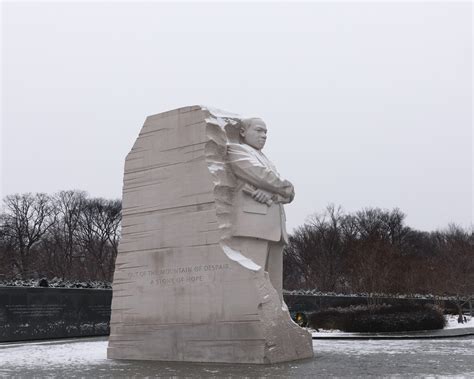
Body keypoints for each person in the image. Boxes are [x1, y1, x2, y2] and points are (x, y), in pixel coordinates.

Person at [227, 117, 295, 301]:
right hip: (253, 226)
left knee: (274, 290)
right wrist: (285, 188)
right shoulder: (236, 150)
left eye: (266, 132)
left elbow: (286, 194)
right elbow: (259, 175)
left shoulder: (266, 159)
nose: (263, 136)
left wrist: (272, 193)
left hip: (274, 229)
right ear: (242, 132)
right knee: (251, 285)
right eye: (259, 130)